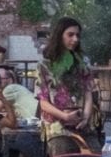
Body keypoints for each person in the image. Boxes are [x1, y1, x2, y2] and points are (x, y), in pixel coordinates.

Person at [38, 17, 92, 145]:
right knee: (64, 155)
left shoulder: (81, 64)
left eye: (77, 35)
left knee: (95, 156)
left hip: (81, 124)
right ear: (59, 36)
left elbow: (88, 93)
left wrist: (85, 118)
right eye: (70, 35)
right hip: (56, 127)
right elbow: (43, 102)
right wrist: (65, 116)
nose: (75, 39)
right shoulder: (45, 65)